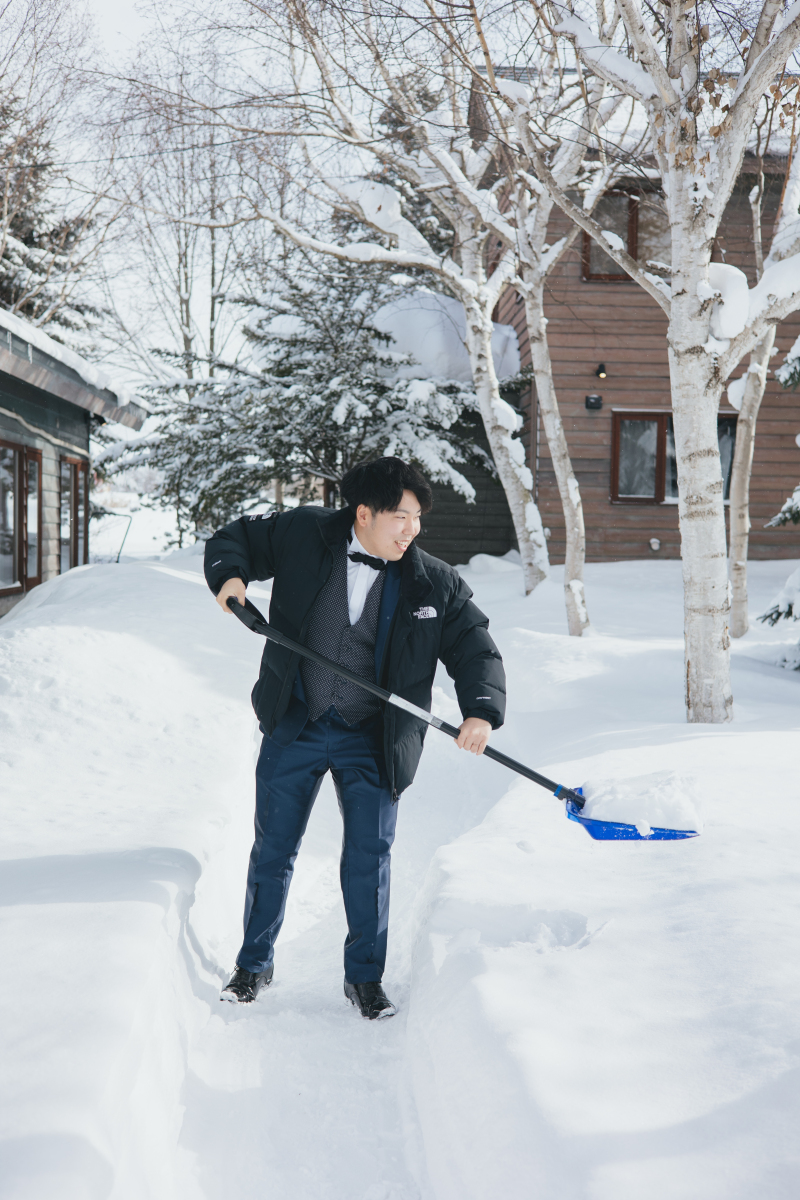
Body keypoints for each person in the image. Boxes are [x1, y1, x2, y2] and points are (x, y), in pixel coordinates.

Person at [204, 457, 506, 1019]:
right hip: (296, 721)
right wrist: (230, 575)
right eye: (401, 516)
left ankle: (365, 978)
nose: (411, 529)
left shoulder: (430, 581)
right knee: (273, 850)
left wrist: (481, 711)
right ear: (363, 514)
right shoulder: (302, 534)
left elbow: (474, 645)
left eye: (417, 518)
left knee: (369, 858)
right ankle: (253, 964)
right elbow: (236, 538)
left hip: (373, 737)